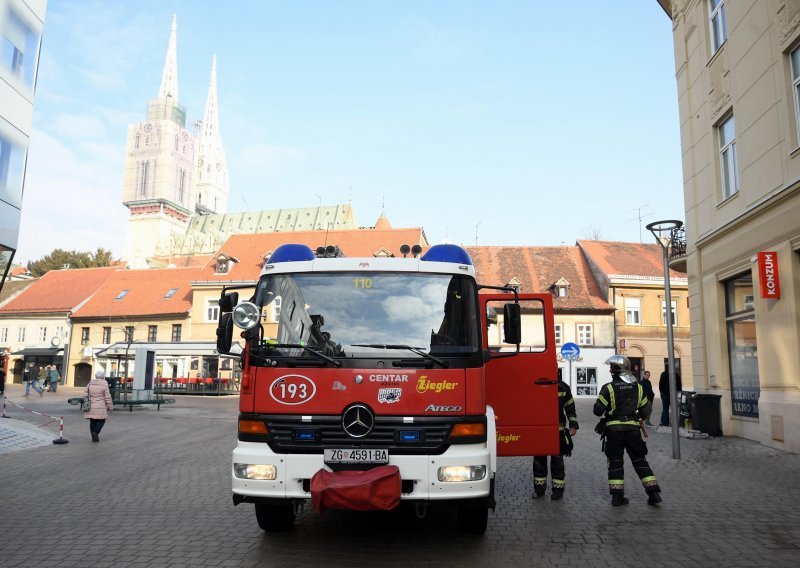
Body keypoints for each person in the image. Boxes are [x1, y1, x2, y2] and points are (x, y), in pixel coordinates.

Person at [593, 355, 661, 507]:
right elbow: (645, 410)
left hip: (614, 431)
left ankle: (617, 498)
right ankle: (653, 493)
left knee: (615, 463)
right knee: (640, 461)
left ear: (616, 370)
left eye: (611, 367)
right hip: (633, 430)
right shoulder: (638, 387)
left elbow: (597, 411)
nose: (610, 370)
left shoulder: (608, 388)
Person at [533, 378, 579, 500]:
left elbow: (570, 407)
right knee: (539, 461)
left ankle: (558, 490)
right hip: (540, 429)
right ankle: (539, 489)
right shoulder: (534, 384)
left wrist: (573, 425)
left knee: (557, 461)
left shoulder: (563, 387)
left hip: (557, 430)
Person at [84, 369, 114, 442]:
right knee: (102, 420)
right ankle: (96, 433)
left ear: (95, 376)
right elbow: (107, 397)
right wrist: (110, 407)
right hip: (101, 406)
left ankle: (93, 437)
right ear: (103, 377)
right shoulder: (104, 384)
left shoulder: (90, 383)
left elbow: (85, 393)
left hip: (91, 405)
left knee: (92, 421)